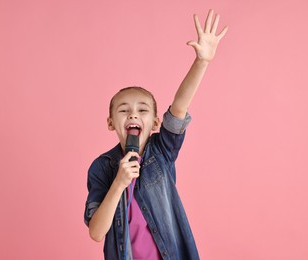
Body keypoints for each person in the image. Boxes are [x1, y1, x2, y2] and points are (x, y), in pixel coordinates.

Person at [84, 9, 228, 260]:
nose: (133, 115)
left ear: (155, 122)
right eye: (123, 110)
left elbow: (179, 107)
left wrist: (201, 62)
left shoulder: (162, 151)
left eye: (142, 110)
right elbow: (97, 232)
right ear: (110, 122)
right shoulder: (102, 168)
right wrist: (119, 182)